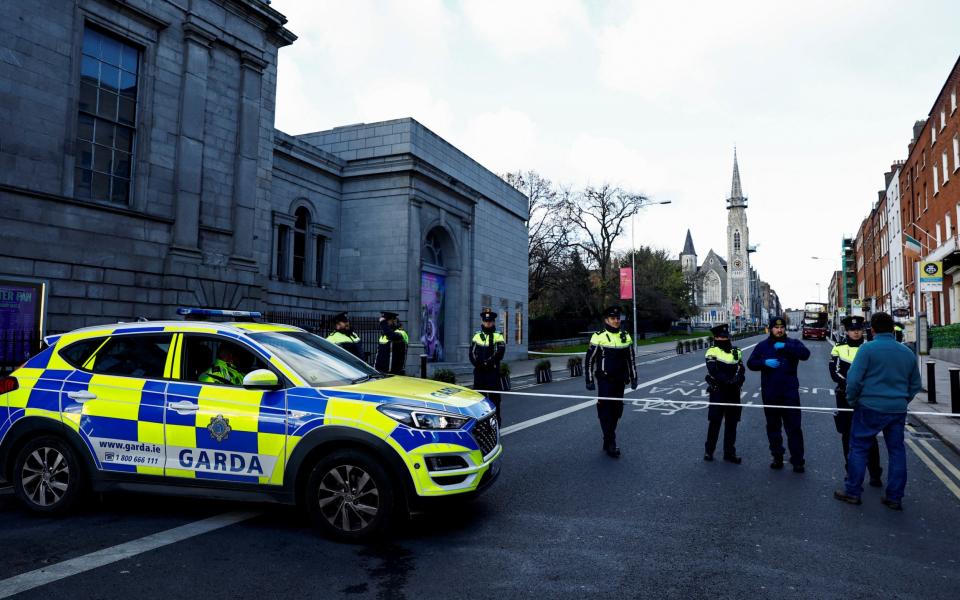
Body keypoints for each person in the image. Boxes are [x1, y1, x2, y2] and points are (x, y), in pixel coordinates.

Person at [834, 312, 921, 510]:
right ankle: (894, 497)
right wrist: (902, 400)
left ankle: (852, 492)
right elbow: (915, 384)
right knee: (897, 451)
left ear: (871, 330)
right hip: (897, 409)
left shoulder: (867, 349)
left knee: (858, 448)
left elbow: (854, 381)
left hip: (869, 407)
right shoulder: (907, 352)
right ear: (892, 330)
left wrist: (853, 400)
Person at [747, 316, 811, 472]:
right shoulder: (762, 346)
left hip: (790, 392)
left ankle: (797, 460)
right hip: (770, 392)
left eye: (782, 327)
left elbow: (805, 354)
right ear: (770, 329)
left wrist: (786, 347)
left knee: (794, 427)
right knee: (773, 427)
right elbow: (751, 363)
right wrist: (764, 363)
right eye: (776, 328)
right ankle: (777, 456)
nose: (779, 330)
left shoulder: (792, 343)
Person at [829, 315, 882, 487]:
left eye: (858, 329)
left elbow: (875, 372)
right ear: (847, 331)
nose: (856, 332)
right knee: (847, 436)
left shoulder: (869, 348)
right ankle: (851, 472)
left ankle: (875, 474)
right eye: (852, 330)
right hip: (844, 397)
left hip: (867, 397)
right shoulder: (839, 348)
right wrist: (850, 384)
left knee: (870, 437)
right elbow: (835, 372)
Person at [585, 306, 637, 458]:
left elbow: (631, 360)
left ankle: (607, 438)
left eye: (617, 318)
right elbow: (589, 360)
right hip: (605, 381)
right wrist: (589, 380)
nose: (616, 321)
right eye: (613, 318)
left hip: (620, 381)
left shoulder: (625, 336)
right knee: (605, 412)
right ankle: (611, 442)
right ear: (606, 320)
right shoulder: (598, 336)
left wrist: (634, 377)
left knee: (616, 412)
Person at [703, 324, 746, 464]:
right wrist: (728, 381)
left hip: (733, 392)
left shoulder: (736, 351)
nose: (723, 338)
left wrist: (738, 379)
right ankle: (709, 451)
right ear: (715, 338)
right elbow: (713, 370)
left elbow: (741, 368)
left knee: (732, 424)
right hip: (718, 391)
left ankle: (729, 453)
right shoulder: (712, 351)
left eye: (725, 336)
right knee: (715, 422)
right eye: (720, 337)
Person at [469, 310, 506, 420]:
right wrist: (478, 364)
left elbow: (499, 353)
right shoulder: (477, 335)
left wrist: (487, 363)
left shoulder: (498, 335)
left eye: (490, 321)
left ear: (493, 322)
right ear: (482, 321)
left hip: (492, 372)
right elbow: (471, 353)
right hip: (479, 373)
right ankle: (481, 423)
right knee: (479, 399)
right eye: (486, 321)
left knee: (494, 400)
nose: (488, 323)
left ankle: (496, 423)